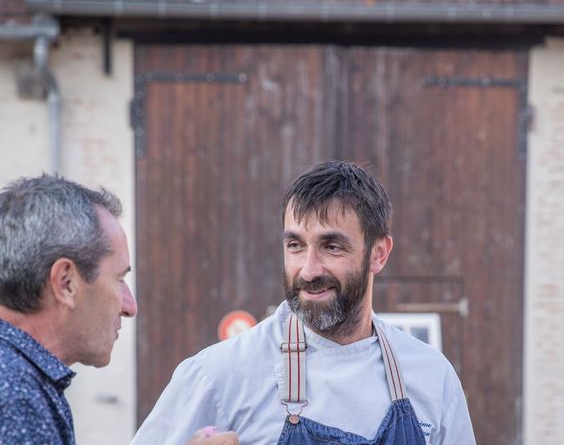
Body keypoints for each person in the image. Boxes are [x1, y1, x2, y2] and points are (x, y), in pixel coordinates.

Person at [132, 160, 476, 445]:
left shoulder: (432, 377)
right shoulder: (218, 377)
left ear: (379, 254)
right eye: (295, 245)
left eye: (332, 246)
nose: (309, 270)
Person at [0, 175, 238, 445]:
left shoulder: (22, 379)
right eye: (119, 278)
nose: (130, 306)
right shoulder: (14, 397)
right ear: (65, 283)